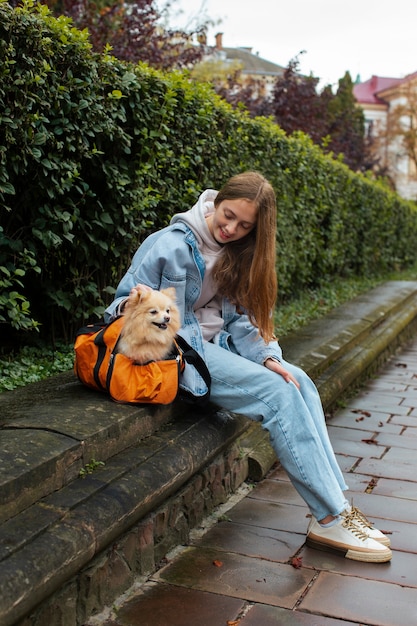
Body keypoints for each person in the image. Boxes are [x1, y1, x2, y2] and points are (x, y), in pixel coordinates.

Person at [105, 171, 392, 563]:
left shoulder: (238, 253)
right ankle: (329, 517)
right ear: (216, 201)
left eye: (244, 226)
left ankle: (340, 507)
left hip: (215, 348)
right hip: (180, 352)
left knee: (298, 380)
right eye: (227, 215)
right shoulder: (168, 244)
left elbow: (243, 320)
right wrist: (135, 301)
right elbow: (118, 307)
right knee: (278, 395)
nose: (231, 228)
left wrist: (269, 357)